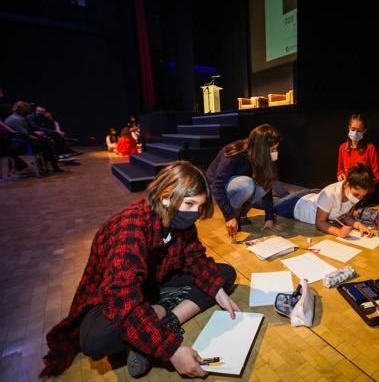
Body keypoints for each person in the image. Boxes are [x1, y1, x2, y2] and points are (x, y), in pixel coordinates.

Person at [40, 161, 240, 379]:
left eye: (199, 207)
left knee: (223, 275)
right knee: (94, 342)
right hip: (117, 292)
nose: (195, 213)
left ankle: (165, 319)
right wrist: (171, 350)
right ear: (165, 196)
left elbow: (195, 257)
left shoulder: (178, 219)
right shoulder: (129, 227)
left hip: (155, 280)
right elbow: (121, 294)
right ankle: (153, 323)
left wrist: (217, 291)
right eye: (190, 204)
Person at [206, 124, 283, 240]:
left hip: (243, 183)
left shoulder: (262, 157)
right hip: (222, 185)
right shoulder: (234, 153)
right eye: (272, 150)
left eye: (276, 149)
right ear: (261, 149)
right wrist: (229, 216)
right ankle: (235, 217)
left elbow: (267, 185)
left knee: (267, 182)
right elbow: (217, 185)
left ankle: (241, 214)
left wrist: (269, 218)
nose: (275, 153)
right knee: (246, 185)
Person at [272, 163, 375, 238]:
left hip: (311, 196)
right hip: (296, 206)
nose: (358, 199)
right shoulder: (330, 194)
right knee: (268, 204)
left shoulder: (354, 193)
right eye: (356, 195)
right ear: (347, 184)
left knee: (284, 195)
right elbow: (320, 223)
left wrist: (359, 225)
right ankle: (271, 187)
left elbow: (346, 217)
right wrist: (339, 232)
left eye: (362, 196)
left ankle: (280, 190)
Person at [4, 101, 64, 173]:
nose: (28, 113)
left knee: (47, 142)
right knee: (48, 144)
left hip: (19, 142)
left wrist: (35, 134)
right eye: (26, 111)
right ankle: (52, 166)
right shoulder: (17, 119)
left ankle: (44, 164)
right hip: (22, 144)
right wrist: (35, 134)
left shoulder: (13, 117)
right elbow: (24, 133)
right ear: (21, 110)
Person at [336, 114, 379, 184]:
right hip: (346, 188)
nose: (355, 133)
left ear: (364, 131)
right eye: (353, 129)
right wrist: (340, 174)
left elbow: (377, 176)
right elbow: (340, 169)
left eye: (359, 131)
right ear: (349, 127)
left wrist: (363, 187)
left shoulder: (370, 148)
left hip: (363, 191)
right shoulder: (343, 147)